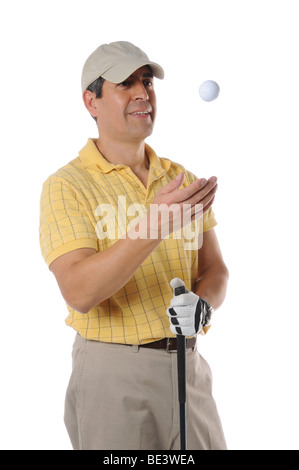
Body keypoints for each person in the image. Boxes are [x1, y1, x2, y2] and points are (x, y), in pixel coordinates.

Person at [39, 41, 229, 450]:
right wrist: (153, 226)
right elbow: (79, 291)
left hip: (188, 366)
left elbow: (215, 269)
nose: (143, 93)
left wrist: (202, 305)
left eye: (146, 81)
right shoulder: (67, 187)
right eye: (125, 83)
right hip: (114, 374)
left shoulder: (179, 178)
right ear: (92, 101)